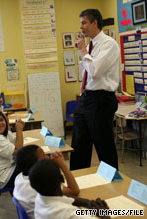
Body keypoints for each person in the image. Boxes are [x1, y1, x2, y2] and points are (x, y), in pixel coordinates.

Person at [70, 9, 120, 170]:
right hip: (86, 97)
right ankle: (78, 180)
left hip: (101, 99)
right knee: (78, 142)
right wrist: (84, 51)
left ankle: (113, 183)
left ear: (95, 22)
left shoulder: (108, 44)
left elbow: (95, 71)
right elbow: (86, 73)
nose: (81, 27)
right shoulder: (91, 45)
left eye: (84, 22)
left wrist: (83, 50)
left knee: (103, 144)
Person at [29, 159, 110, 219]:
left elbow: (65, 197)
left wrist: (88, 202)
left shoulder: (39, 198)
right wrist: (103, 212)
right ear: (62, 179)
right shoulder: (68, 213)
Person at [14, 145, 79, 218]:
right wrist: (63, 164)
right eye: (44, 157)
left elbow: (66, 195)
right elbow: (74, 191)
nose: (48, 157)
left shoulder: (20, 178)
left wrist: (88, 202)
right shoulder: (64, 211)